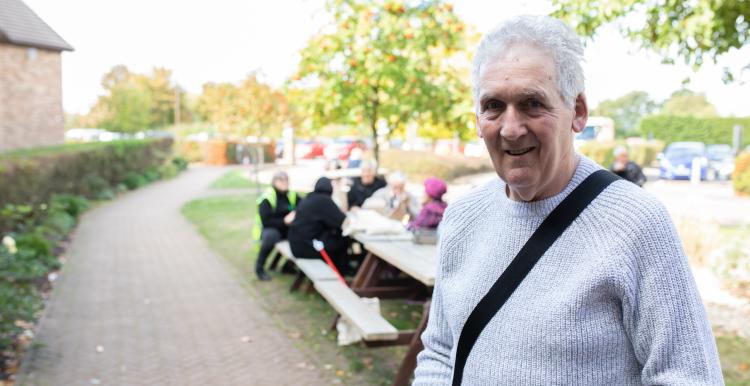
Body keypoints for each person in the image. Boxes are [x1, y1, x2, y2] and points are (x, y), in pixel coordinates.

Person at [414, 15, 722, 385]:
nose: (511, 128)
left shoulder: (636, 223)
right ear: (478, 119)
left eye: (532, 103)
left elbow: (689, 376)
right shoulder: (461, 218)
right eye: (493, 105)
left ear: (577, 112)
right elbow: (441, 353)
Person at [288, 177, 351, 275]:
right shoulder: (324, 200)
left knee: (335, 239)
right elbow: (343, 221)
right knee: (341, 240)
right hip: (306, 248)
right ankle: (342, 271)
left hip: (296, 244)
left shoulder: (309, 197)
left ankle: (340, 269)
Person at [253, 171, 299, 281]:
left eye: (286, 180)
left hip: (287, 228)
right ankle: (259, 268)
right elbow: (266, 221)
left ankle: (288, 266)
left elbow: (302, 205)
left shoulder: (291, 194)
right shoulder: (268, 197)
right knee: (271, 236)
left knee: (301, 233)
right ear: (274, 182)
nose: (285, 183)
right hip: (270, 229)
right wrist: (284, 221)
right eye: (281, 180)